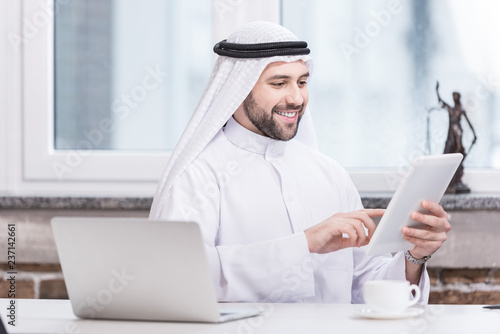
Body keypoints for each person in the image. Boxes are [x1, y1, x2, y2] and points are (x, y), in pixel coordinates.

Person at [150, 22, 450, 303]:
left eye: (302, 82)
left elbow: (365, 287)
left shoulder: (330, 174)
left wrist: (414, 256)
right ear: (237, 90)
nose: (296, 98)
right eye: (279, 83)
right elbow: (177, 280)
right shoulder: (199, 175)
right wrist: (305, 243)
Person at [435, 81, 477, 192]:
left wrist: (474, 134)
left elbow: (468, 123)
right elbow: (441, 101)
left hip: (458, 133)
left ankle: (455, 178)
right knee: (447, 154)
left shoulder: (460, 110)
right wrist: (437, 91)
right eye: (453, 96)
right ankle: (447, 179)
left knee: (459, 153)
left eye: (456, 96)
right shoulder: (451, 109)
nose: (454, 98)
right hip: (450, 136)